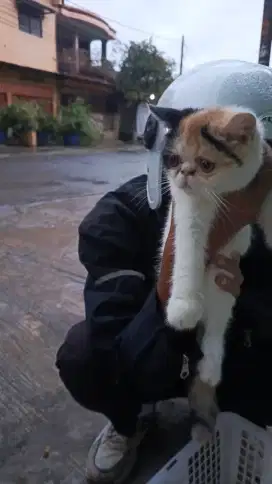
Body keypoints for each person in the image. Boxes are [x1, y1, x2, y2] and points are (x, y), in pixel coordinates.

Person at [56, 60, 272, 483]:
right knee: (84, 355)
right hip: (159, 357)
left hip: (229, 356)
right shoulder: (117, 221)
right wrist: (206, 241)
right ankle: (127, 422)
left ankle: (234, 420)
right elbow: (121, 355)